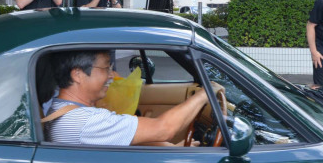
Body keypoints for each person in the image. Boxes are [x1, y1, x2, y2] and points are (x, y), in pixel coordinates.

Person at [41, 49, 209, 146]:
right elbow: (164, 129)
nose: (111, 76)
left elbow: (136, 139)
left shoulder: (62, 108)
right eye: (106, 68)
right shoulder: (84, 121)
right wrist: (205, 93)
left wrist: (173, 151)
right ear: (78, 74)